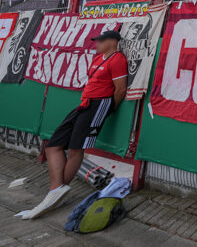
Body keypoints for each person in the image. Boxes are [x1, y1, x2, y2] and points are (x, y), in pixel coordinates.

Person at [24, 30, 127, 218]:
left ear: (113, 42)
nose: (96, 44)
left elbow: (120, 89)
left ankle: (57, 192)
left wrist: (109, 109)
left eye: (100, 41)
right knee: (53, 144)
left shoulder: (118, 59)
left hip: (99, 104)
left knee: (75, 149)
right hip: (84, 104)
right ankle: (57, 189)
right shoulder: (97, 59)